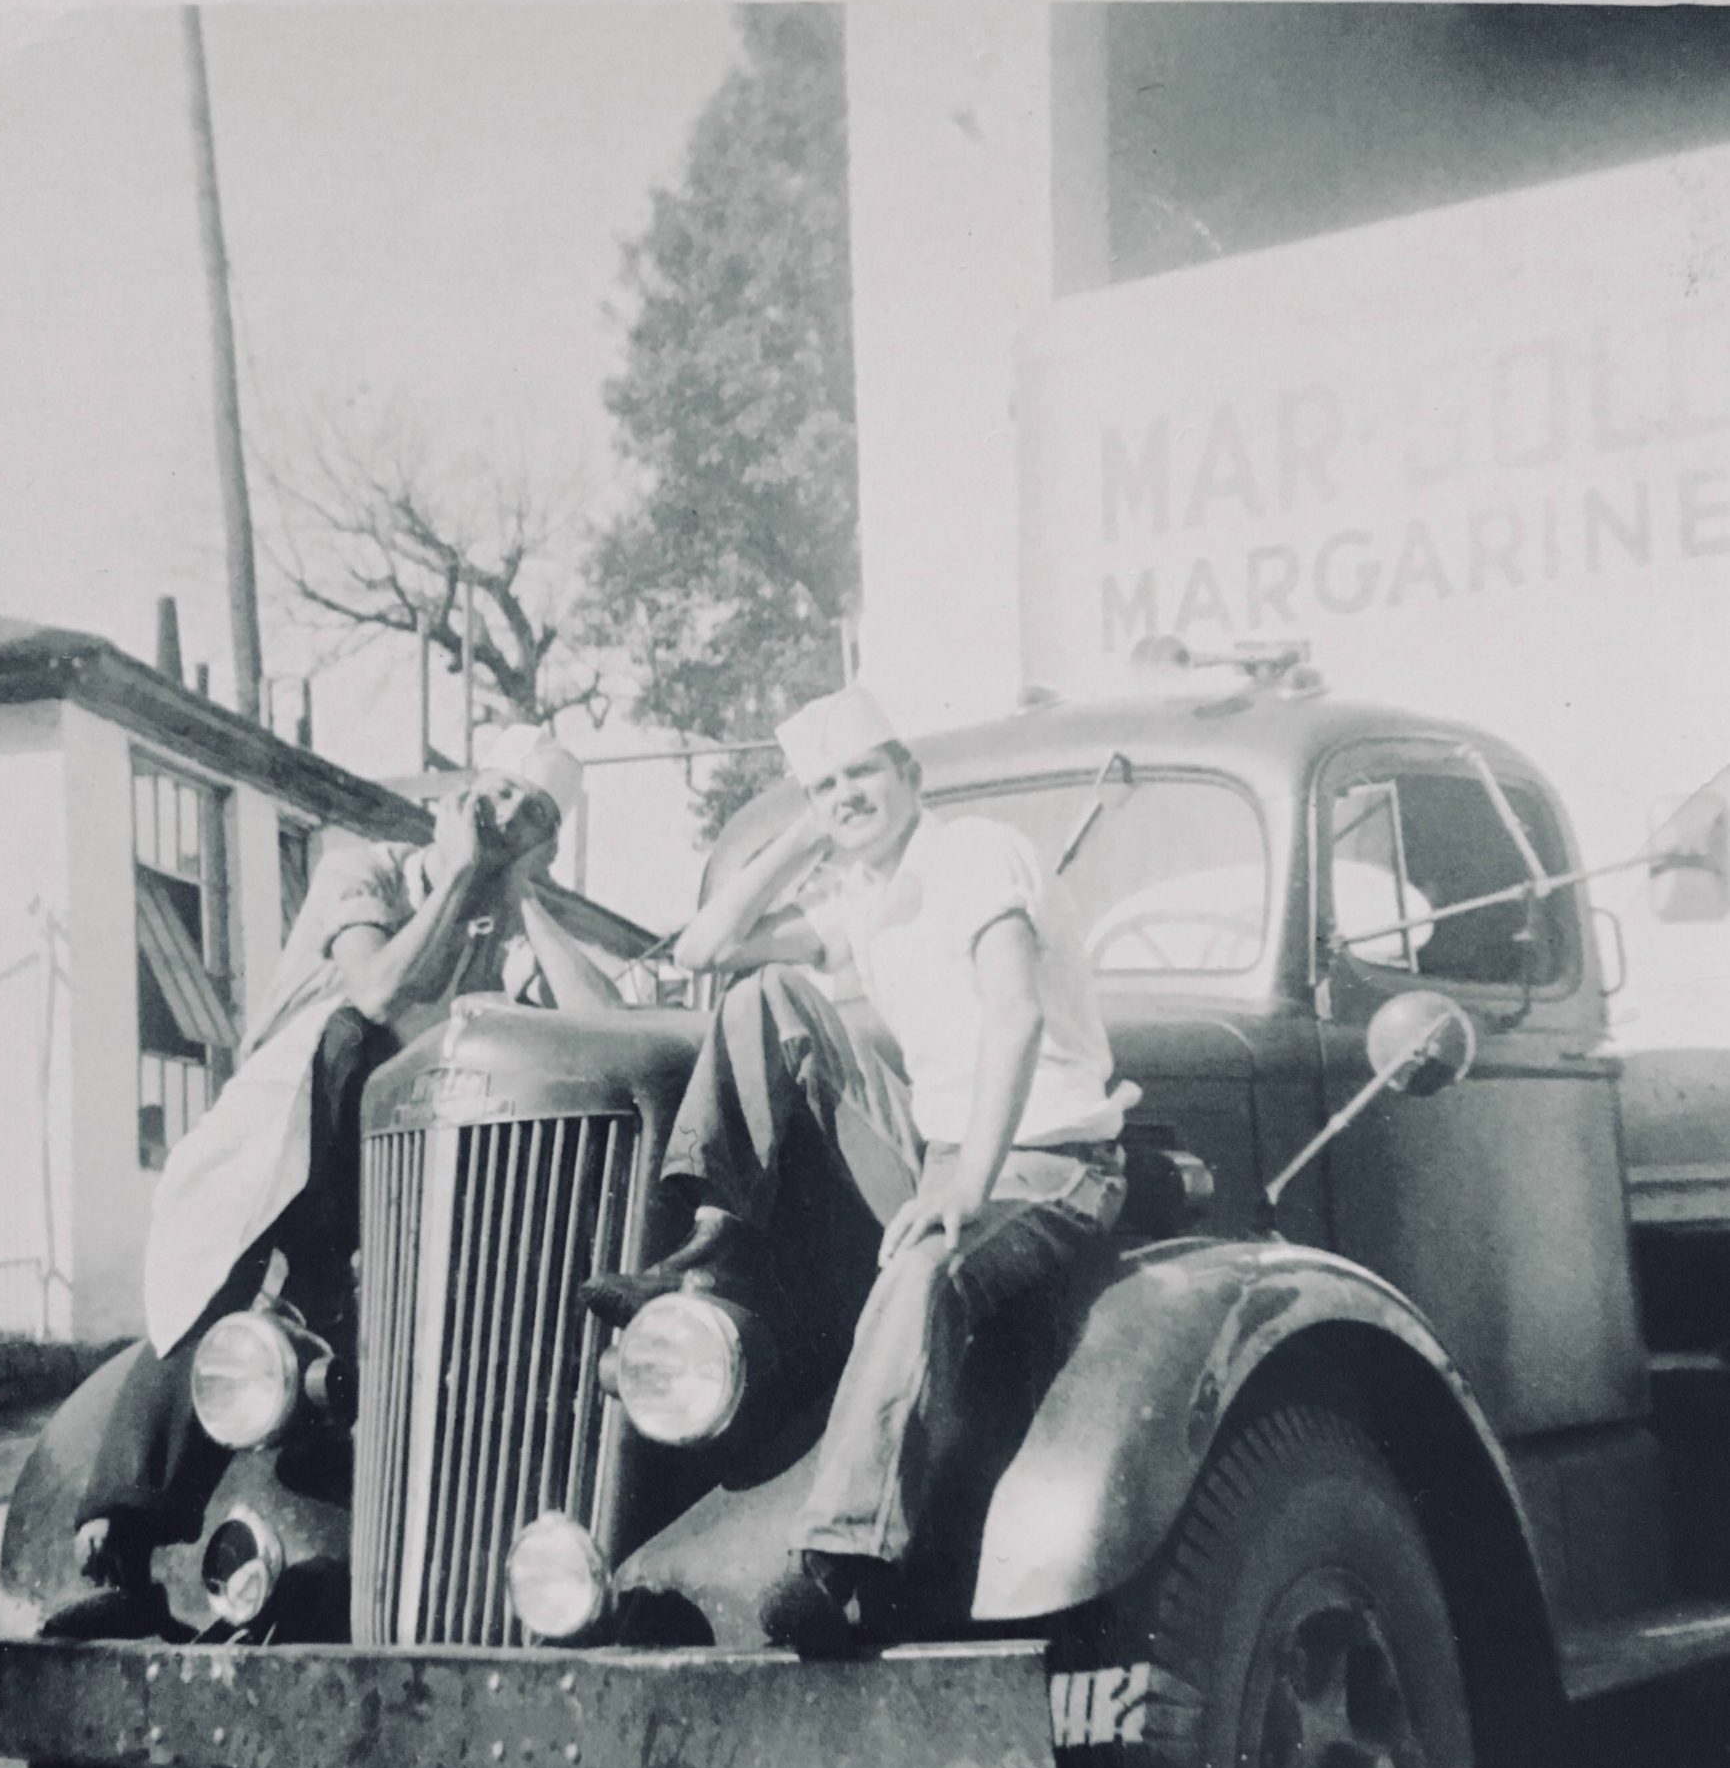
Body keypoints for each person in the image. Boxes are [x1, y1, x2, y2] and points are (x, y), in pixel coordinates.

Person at [584, 684, 1135, 1654]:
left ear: (910, 776)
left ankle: (841, 1562)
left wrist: (962, 1195)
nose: (847, 795)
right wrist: (808, 831)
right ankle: (713, 1245)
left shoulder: (976, 854)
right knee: (766, 996)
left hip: (1050, 1158)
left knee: (924, 1264)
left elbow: (1017, 1014)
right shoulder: (865, 900)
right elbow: (709, 949)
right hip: (939, 1151)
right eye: (826, 783)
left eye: (863, 774)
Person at [70, 737, 623, 1610]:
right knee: (228, 1318)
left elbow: (607, 1023)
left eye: (536, 818)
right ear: (463, 794)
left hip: (400, 1181)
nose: (510, 818)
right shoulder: (363, 869)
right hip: (286, 1144)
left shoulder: (505, 922)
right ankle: (120, 1531)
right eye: (501, 795)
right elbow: (377, 993)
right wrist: (461, 877)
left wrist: (516, 893)